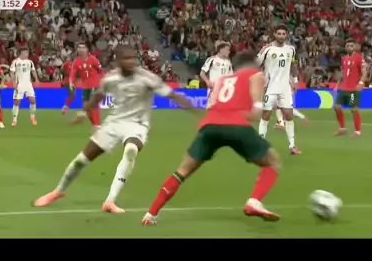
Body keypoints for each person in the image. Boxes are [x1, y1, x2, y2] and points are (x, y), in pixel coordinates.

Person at [33, 45, 198, 213]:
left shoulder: (148, 78)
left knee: (131, 150)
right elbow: (97, 97)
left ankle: (110, 201)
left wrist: (195, 111)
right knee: (81, 160)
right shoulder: (110, 79)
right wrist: (82, 113)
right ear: (118, 61)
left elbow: (172, 95)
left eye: (133, 58)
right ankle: (57, 192)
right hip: (114, 123)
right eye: (126, 58)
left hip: (138, 124)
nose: (131, 62)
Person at [142, 50, 282, 226]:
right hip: (237, 125)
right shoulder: (256, 75)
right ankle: (254, 201)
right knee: (273, 161)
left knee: (182, 171)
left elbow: (213, 105)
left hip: (210, 126)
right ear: (254, 64)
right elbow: (256, 112)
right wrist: (250, 113)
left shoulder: (222, 80)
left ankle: (151, 214)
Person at [257, 25, 301, 155]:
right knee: (266, 115)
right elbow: (257, 63)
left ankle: (292, 146)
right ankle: (260, 144)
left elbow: (293, 64)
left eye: (283, 34)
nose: (281, 36)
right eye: (279, 33)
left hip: (285, 88)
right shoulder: (267, 49)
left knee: (289, 115)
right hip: (270, 87)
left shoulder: (291, 49)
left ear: (287, 35)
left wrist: (295, 81)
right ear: (274, 34)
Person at [333, 41, 366, 137]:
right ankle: (342, 128)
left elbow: (364, 72)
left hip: (353, 90)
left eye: (351, 46)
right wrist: (337, 86)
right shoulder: (344, 59)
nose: (349, 47)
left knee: (354, 109)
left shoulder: (359, 58)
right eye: (347, 46)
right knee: (337, 107)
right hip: (344, 89)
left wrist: (361, 83)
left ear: (354, 47)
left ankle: (357, 132)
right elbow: (342, 74)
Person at [68, 44, 102, 126]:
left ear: (87, 50)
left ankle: (97, 125)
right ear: (77, 50)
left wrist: (100, 80)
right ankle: (95, 125)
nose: (81, 49)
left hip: (95, 85)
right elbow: (72, 74)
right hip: (85, 87)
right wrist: (71, 82)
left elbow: (100, 70)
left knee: (93, 105)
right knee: (87, 108)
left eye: (83, 47)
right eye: (79, 47)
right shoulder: (76, 62)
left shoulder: (93, 59)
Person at [10, 48, 39, 127]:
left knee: (33, 101)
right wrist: (14, 82)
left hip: (28, 84)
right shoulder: (15, 62)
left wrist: (36, 79)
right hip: (19, 84)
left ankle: (32, 118)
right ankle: (14, 120)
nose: (27, 54)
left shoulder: (30, 62)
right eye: (26, 52)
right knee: (17, 102)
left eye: (27, 52)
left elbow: (33, 71)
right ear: (21, 53)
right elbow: (12, 72)